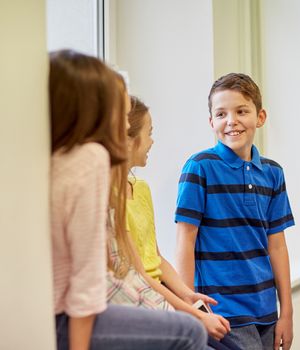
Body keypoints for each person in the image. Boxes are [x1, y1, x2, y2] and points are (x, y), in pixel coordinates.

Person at [50, 49, 207, 350]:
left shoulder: (56, 157)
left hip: (58, 312)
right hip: (66, 319)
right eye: (120, 115)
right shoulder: (92, 159)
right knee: (190, 333)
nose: (125, 127)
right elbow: (88, 283)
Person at [175, 73, 295, 350]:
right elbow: (185, 240)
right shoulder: (199, 167)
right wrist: (192, 308)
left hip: (265, 310)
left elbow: (277, 245)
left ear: (260, 117)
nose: (231, 121)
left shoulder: (273, 172)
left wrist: (286, 311)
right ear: (211, 122)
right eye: (221, 114)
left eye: (242, 111)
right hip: (222, 311)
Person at [120, 95, 241, 350]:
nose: (152, 142)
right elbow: (139, 273)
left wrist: (187, 294)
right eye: (149, 133)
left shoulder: (141, 189)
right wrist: (194, 314)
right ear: (129, 140)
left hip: (165, 290)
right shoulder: (111, 199)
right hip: (143, 296)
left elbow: (156, 258)